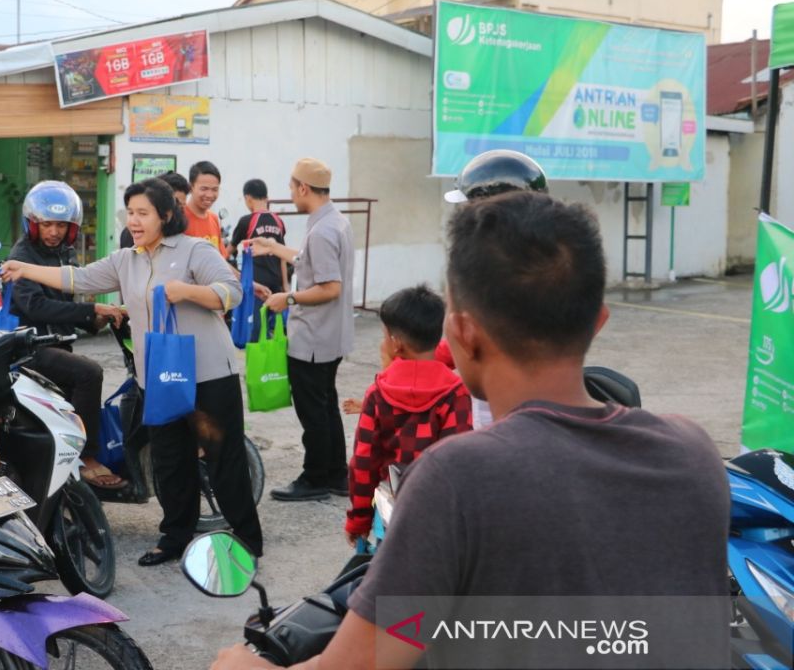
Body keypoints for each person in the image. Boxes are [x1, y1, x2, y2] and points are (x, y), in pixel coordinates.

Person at [210, 192, 730, 670]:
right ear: (598, 320)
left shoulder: (459, 477)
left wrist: (242, 664)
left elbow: (362, 660)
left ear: (459, 333)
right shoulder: (692, 452)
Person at [1, 177, 262, 565]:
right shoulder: (127, 259)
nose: (134, 221)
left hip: (208, 374)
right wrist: (26, 269)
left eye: (143, 213)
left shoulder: (194, 251)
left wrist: (187, 291)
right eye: (131, 214)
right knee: (170, 460)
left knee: (224, 459)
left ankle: (246, 537)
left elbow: (232, 291)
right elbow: (80, 279)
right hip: (157, 376)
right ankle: (175, 537)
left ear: (166, 216)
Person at [9, 181, 128, 490]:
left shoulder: (66, 254)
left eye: (61, 225)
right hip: (30, 348)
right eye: (47, 224)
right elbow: (35, 307)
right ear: (33, 224)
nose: (54, 232)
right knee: (90, 373)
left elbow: (67, 303)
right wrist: (89, 312)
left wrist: (97, 319)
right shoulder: (22, 255)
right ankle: (88, 458)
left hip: (59, 344)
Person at [251, 158, 355, 502]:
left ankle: (315, 478)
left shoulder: (323, 230)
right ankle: (338, 475)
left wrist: (288, 298)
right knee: (325, 405)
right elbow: (310, 261)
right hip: (330, 336)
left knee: (314, 411)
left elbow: (330, 287)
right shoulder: (334, 222)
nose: (291, 194)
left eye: (292, 187)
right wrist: (272, 248)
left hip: (313, 337)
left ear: (303, 188)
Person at [340, 285, 472, 547]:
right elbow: (460, 464)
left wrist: (358, 521)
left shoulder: (377, 393)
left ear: (396, 343)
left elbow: (362, 463)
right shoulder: (456, 394)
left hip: (392, 514)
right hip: (439, 522)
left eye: (385, 336)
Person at [438, 149, 551, 430]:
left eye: (467, 207)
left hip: (502, 404)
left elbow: (466, 331)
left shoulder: (483, 264)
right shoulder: (553, 254)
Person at [229, 179, 288, 341]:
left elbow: (227, 252)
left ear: (248, 198)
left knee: (254, 330)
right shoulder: (279, 221)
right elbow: (283, 254)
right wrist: (285, 285)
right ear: (266, 197)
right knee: (273, 331)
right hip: (275, 284)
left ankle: (256, 363)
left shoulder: (246, 221)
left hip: (255, 286)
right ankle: (271, 363)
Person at [120, 172, 189, 249]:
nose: (177, 212)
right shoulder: (131, 236)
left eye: (181, 207)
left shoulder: (189, 245)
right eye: (131, 212)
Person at [184, 161, 229, 258]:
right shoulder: (180, 218)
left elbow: (221, 260)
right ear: (191, 187)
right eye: (204, 189)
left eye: (215, 189)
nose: (209, 195)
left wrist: (238, 274)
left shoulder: (214, 218)